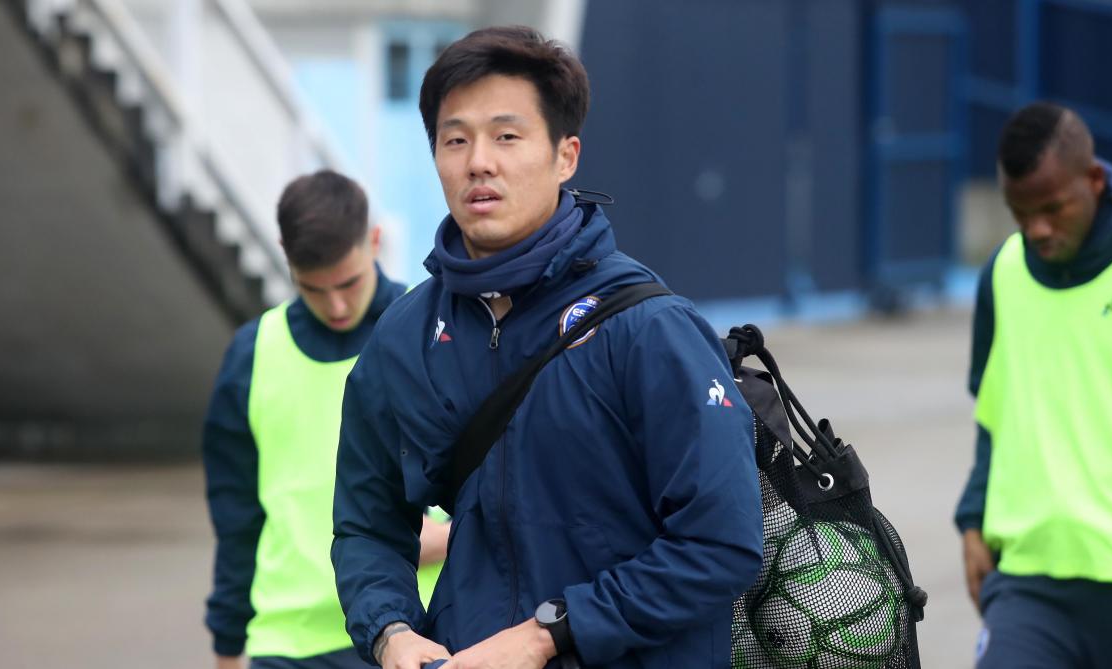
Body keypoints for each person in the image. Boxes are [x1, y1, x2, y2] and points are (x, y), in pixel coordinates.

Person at [331, 26, 763, 669]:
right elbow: (367, 524)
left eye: (507, 136)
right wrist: (390, 630)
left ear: (566, 156)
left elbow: (721, 542)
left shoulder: (648, 327)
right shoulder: (404, 337)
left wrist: (548, 634)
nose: (479, 162)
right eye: (456, 139)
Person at [202, 169, 450, 669]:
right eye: (314, 288)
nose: (336, 305)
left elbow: (506, 483)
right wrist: (227, 647)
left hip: (413, 633)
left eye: (349, 283)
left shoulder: (435, 331)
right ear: (285, 256)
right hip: (288, 644)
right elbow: (237, 521)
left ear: (374, 241)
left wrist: (450, 537)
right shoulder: (252, 355)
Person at [954, 102, 1112, 668]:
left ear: (1093, 180)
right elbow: (996, 414)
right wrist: (973, 519)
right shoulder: (1001, 275)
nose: (1037, 229)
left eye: (1052, 208)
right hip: (1030, 586)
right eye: (1020, 213)